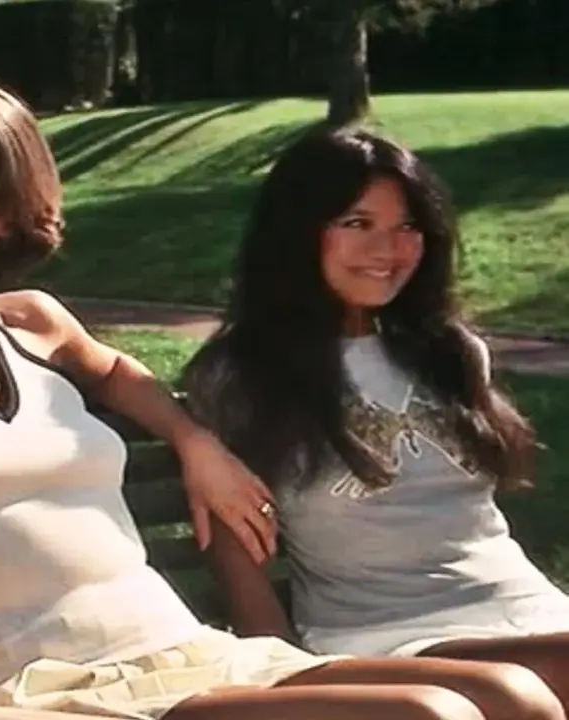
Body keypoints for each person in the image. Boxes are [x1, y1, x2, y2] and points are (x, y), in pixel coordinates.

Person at [0, 74, 566, 720]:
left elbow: (113, 373)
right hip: (44, 682)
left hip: (182, 649)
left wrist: (195, 444)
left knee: (516, 699)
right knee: (429, 716)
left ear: (8, 215)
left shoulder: (30, 324)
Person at [178, 126, 569, 709]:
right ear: (298, 232)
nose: (387, 249)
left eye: (406, 226)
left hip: (528, 612)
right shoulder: (243, 375)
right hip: (384, 638)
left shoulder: (450, 353)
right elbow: (232, 546)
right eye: (357, 223)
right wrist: (279, 672)